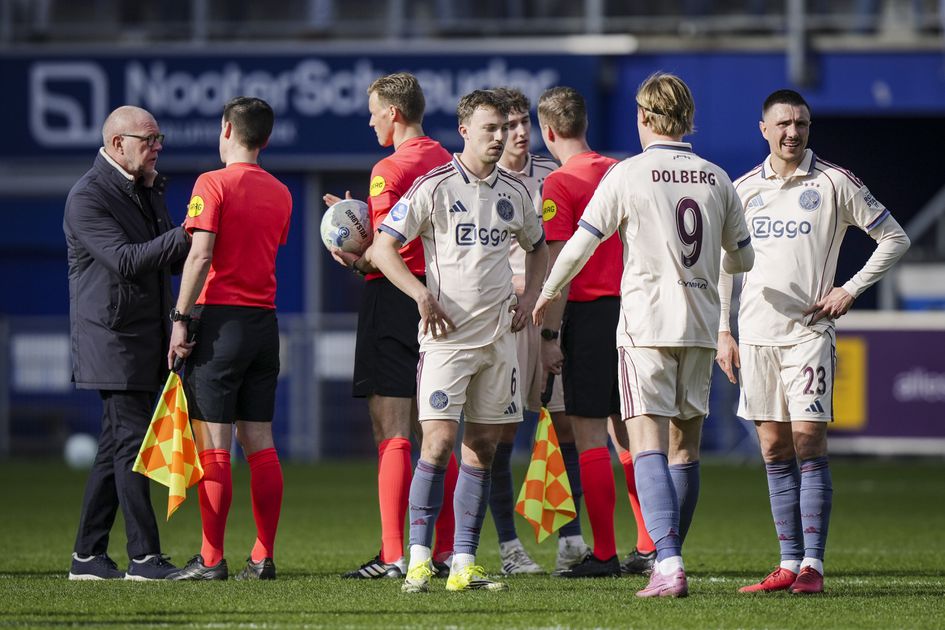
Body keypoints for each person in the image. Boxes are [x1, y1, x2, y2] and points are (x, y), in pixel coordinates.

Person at [535, 72, 755, 598]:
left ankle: (668, 562)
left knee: (647, 441)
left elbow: (581, 245)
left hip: (646, 325)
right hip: (700, 324)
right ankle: (668, 554)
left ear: (643, 118)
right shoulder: (717, 177)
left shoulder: (629, 174)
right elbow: (743, 256)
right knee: (686, 449)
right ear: (688, 118)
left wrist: (548, 292)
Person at [717, 89, 910, 595]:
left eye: (801, 123)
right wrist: (723, 330)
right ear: (764, 128)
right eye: (782, 123)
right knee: (773, 447)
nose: (792, 132)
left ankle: (813, 566)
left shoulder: (833, 182)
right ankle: (786, 562)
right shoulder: (741, 190)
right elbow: (723, 265)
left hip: (808, 335)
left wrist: (850, 288)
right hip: (756, 335)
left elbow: (895, 237)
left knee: (808, 443)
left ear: (809, 127)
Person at [373, 89, 549, 593]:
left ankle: (464, 563)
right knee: (438, 443)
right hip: (446, 342)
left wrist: (530, 294)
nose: (500, 138)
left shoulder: (516, 193)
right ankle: (419, 559)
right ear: (465, 130)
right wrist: (420, 295)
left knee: (485, 449)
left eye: (505, 128)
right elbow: (384, 248)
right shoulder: (434, 186)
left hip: (498, 341)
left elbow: (538, 247)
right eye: (490, 129)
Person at [324, 72, 458, 579]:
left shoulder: (389, 168)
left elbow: (383, 248)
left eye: (375, 110)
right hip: (446, 301)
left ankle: (394, 554)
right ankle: (444, 552)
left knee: (393, 430)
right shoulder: (449, 162)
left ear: (394, 113)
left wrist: (353, 253)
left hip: (397, 297)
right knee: (439, 432)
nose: (371, 118)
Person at [167, 96, 292, 581]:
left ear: (225, 129)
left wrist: (180, 317)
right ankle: (262, 556)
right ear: (266, 137)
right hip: (265, 323)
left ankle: (211, 559)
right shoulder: (282, 192)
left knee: (215, 446)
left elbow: (200, 256)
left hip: (218, 321)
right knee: (260, 441)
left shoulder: (211, 183)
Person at [64, 105, 189, 580]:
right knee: (134, 445)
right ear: (118, 144)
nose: (158, 147)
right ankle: (144, 557)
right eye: (149, 139)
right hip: (112, 341)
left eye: (159, 139)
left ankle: (87, 556)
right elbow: (126, 260)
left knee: (114, 447)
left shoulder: (146, 187)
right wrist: (191, 232)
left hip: (141, 335)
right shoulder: (87, 196)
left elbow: (166, 261)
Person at [536, 86, 655, 578]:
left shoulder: (559, 186)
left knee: (589, 440)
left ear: (547, 132)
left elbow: (563, 266)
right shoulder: (622, 171)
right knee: (632, 438)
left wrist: (548, 336)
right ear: (584, 123)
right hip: (633, 313)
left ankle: (604, 553)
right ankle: (650, 545)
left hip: (587, 317)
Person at [488, 86, 583, 576]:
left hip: (552, 318)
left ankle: (571, 541)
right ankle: (509, 548)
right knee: (501, 431)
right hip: (506, 318)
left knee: (566, 423)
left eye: (524, 121)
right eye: (508, 125)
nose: (520, 132)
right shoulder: (480, 181)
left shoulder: (555, 175)